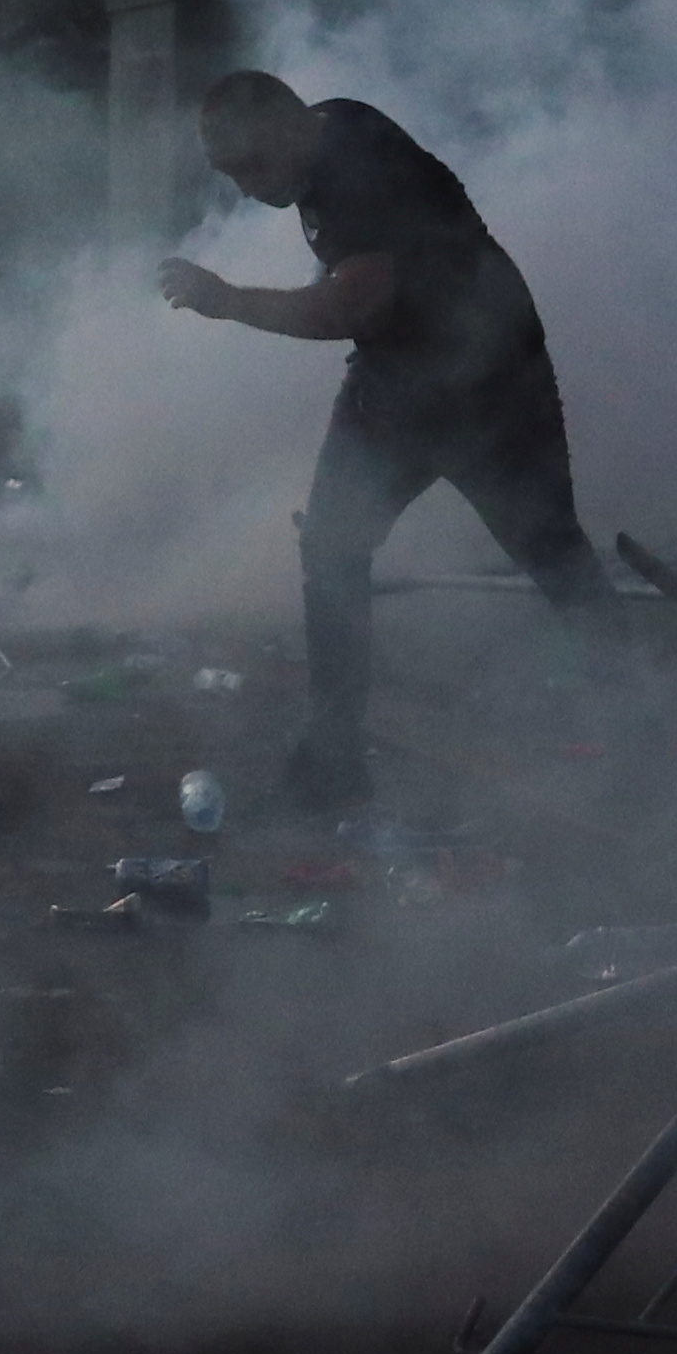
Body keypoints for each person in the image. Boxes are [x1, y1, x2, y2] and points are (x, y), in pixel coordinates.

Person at [157, 71, 606, 811]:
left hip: (487, 384)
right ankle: (334, 758)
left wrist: (229, 301)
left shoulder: (355, 173)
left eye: (249, 165)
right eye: (228, 173)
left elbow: (349, 303)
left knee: (551, 551)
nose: (243, 187)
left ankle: (652, 723)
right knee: (333, 547)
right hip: (400, 379)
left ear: (290, 125)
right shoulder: (329, 133)